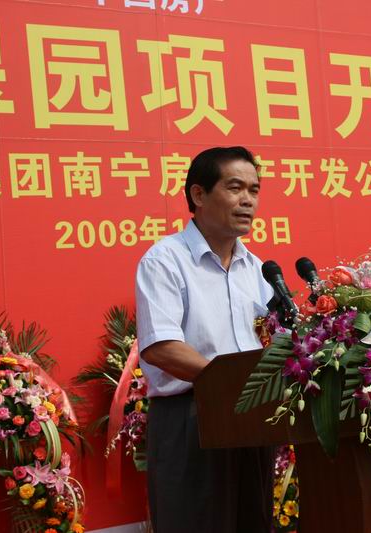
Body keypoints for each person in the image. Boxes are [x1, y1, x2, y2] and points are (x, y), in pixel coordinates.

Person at [135, 146, 275, 532]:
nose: (248, 200)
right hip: (191, 418)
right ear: (198, 194)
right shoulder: (165, 260)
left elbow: (273, 340)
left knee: (253, 522)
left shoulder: (258, 269)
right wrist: (234, 383)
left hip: (253, 421)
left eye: (254, 190)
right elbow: (161, 347)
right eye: (235, 187)